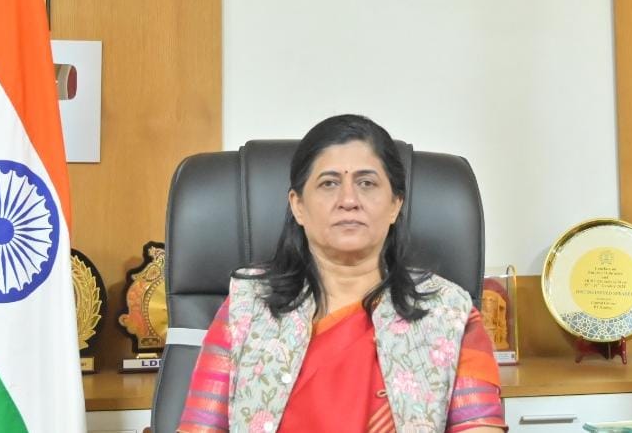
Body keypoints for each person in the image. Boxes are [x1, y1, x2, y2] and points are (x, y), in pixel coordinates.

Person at [178, 114, 506, 433]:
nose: (348, 200)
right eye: (329, 183)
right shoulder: (245, 309)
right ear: (298, 206)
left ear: (395, 204)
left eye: (366, 183)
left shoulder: (450, 315)